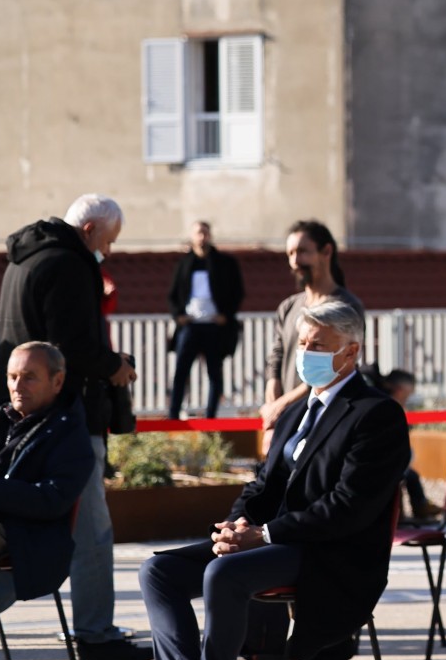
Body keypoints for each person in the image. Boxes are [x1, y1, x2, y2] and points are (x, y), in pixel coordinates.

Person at [132, 300, 410, 660]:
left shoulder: (375, 414)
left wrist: (263, 536)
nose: (306, 354)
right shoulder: (299, 413)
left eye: (318, 345)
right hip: (271, 541)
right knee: (158, 571)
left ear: (351, 352)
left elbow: (349, 508)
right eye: (302, 343)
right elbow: (263, 484)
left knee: (223, 574)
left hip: (329, 554)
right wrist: (232, 525)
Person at [0, 195, 149, 660]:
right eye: (109, 241)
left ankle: (94, 628)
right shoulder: (70, 263)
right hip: (65, 416)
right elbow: (74, 345)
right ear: (89, 231)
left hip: (19, 416)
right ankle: (96, 634)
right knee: (92, 530)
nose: (109, 252)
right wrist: (116, 367)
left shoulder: (24, 258)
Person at [0, 343, 96, 620]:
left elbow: (51, 500)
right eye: (12, 376)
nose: (17, 385)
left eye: (29, 377)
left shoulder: (69, 435)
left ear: (57, 381)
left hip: (27, 537)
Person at [260, 221, 364, 452]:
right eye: (290, 253)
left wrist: (281, 407)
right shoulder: (288, 306)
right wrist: (273, 412)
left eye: (303, 252)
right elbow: (275, 362)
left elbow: (340, 368)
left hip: (322, 420)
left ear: (326, 252)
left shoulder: (345, 306)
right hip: (284, 420)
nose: (295, 261)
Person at [166, 220, 246, 419]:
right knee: (181, 372)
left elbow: (238, 292)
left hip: (214, 325)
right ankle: (173, 415)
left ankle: (211, 416)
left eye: (205, 233)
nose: (202, 237)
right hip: (190, 325)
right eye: (198, 233)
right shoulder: (184, 263)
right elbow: (173, 295)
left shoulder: (224, 263)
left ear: (210, 235)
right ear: (192, 237)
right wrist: (179, 316)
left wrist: (226, 315)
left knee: (214, 373)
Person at [374, 367, 431, 521]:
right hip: (381, 465)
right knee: (407, 474)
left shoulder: (380, 401)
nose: (411, 396)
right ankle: (413, 511)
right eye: (410, 392)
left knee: (410, 474)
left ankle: (416, 509)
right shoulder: (389, 406)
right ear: (400, 390)